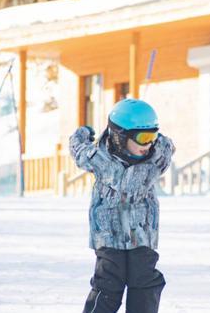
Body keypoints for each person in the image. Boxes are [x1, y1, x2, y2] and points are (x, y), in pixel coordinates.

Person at [70, 98, 175, 313]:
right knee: (108, 284)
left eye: (153, 136)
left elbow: (167, 145)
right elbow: (78, 150)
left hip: (142, 234)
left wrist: (154, 136)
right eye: (143, 138)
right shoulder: (99, 158)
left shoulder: (155, 159)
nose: (149, 145)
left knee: (145, 283)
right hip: (109, 235)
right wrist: (81, 134)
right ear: (119, 136)